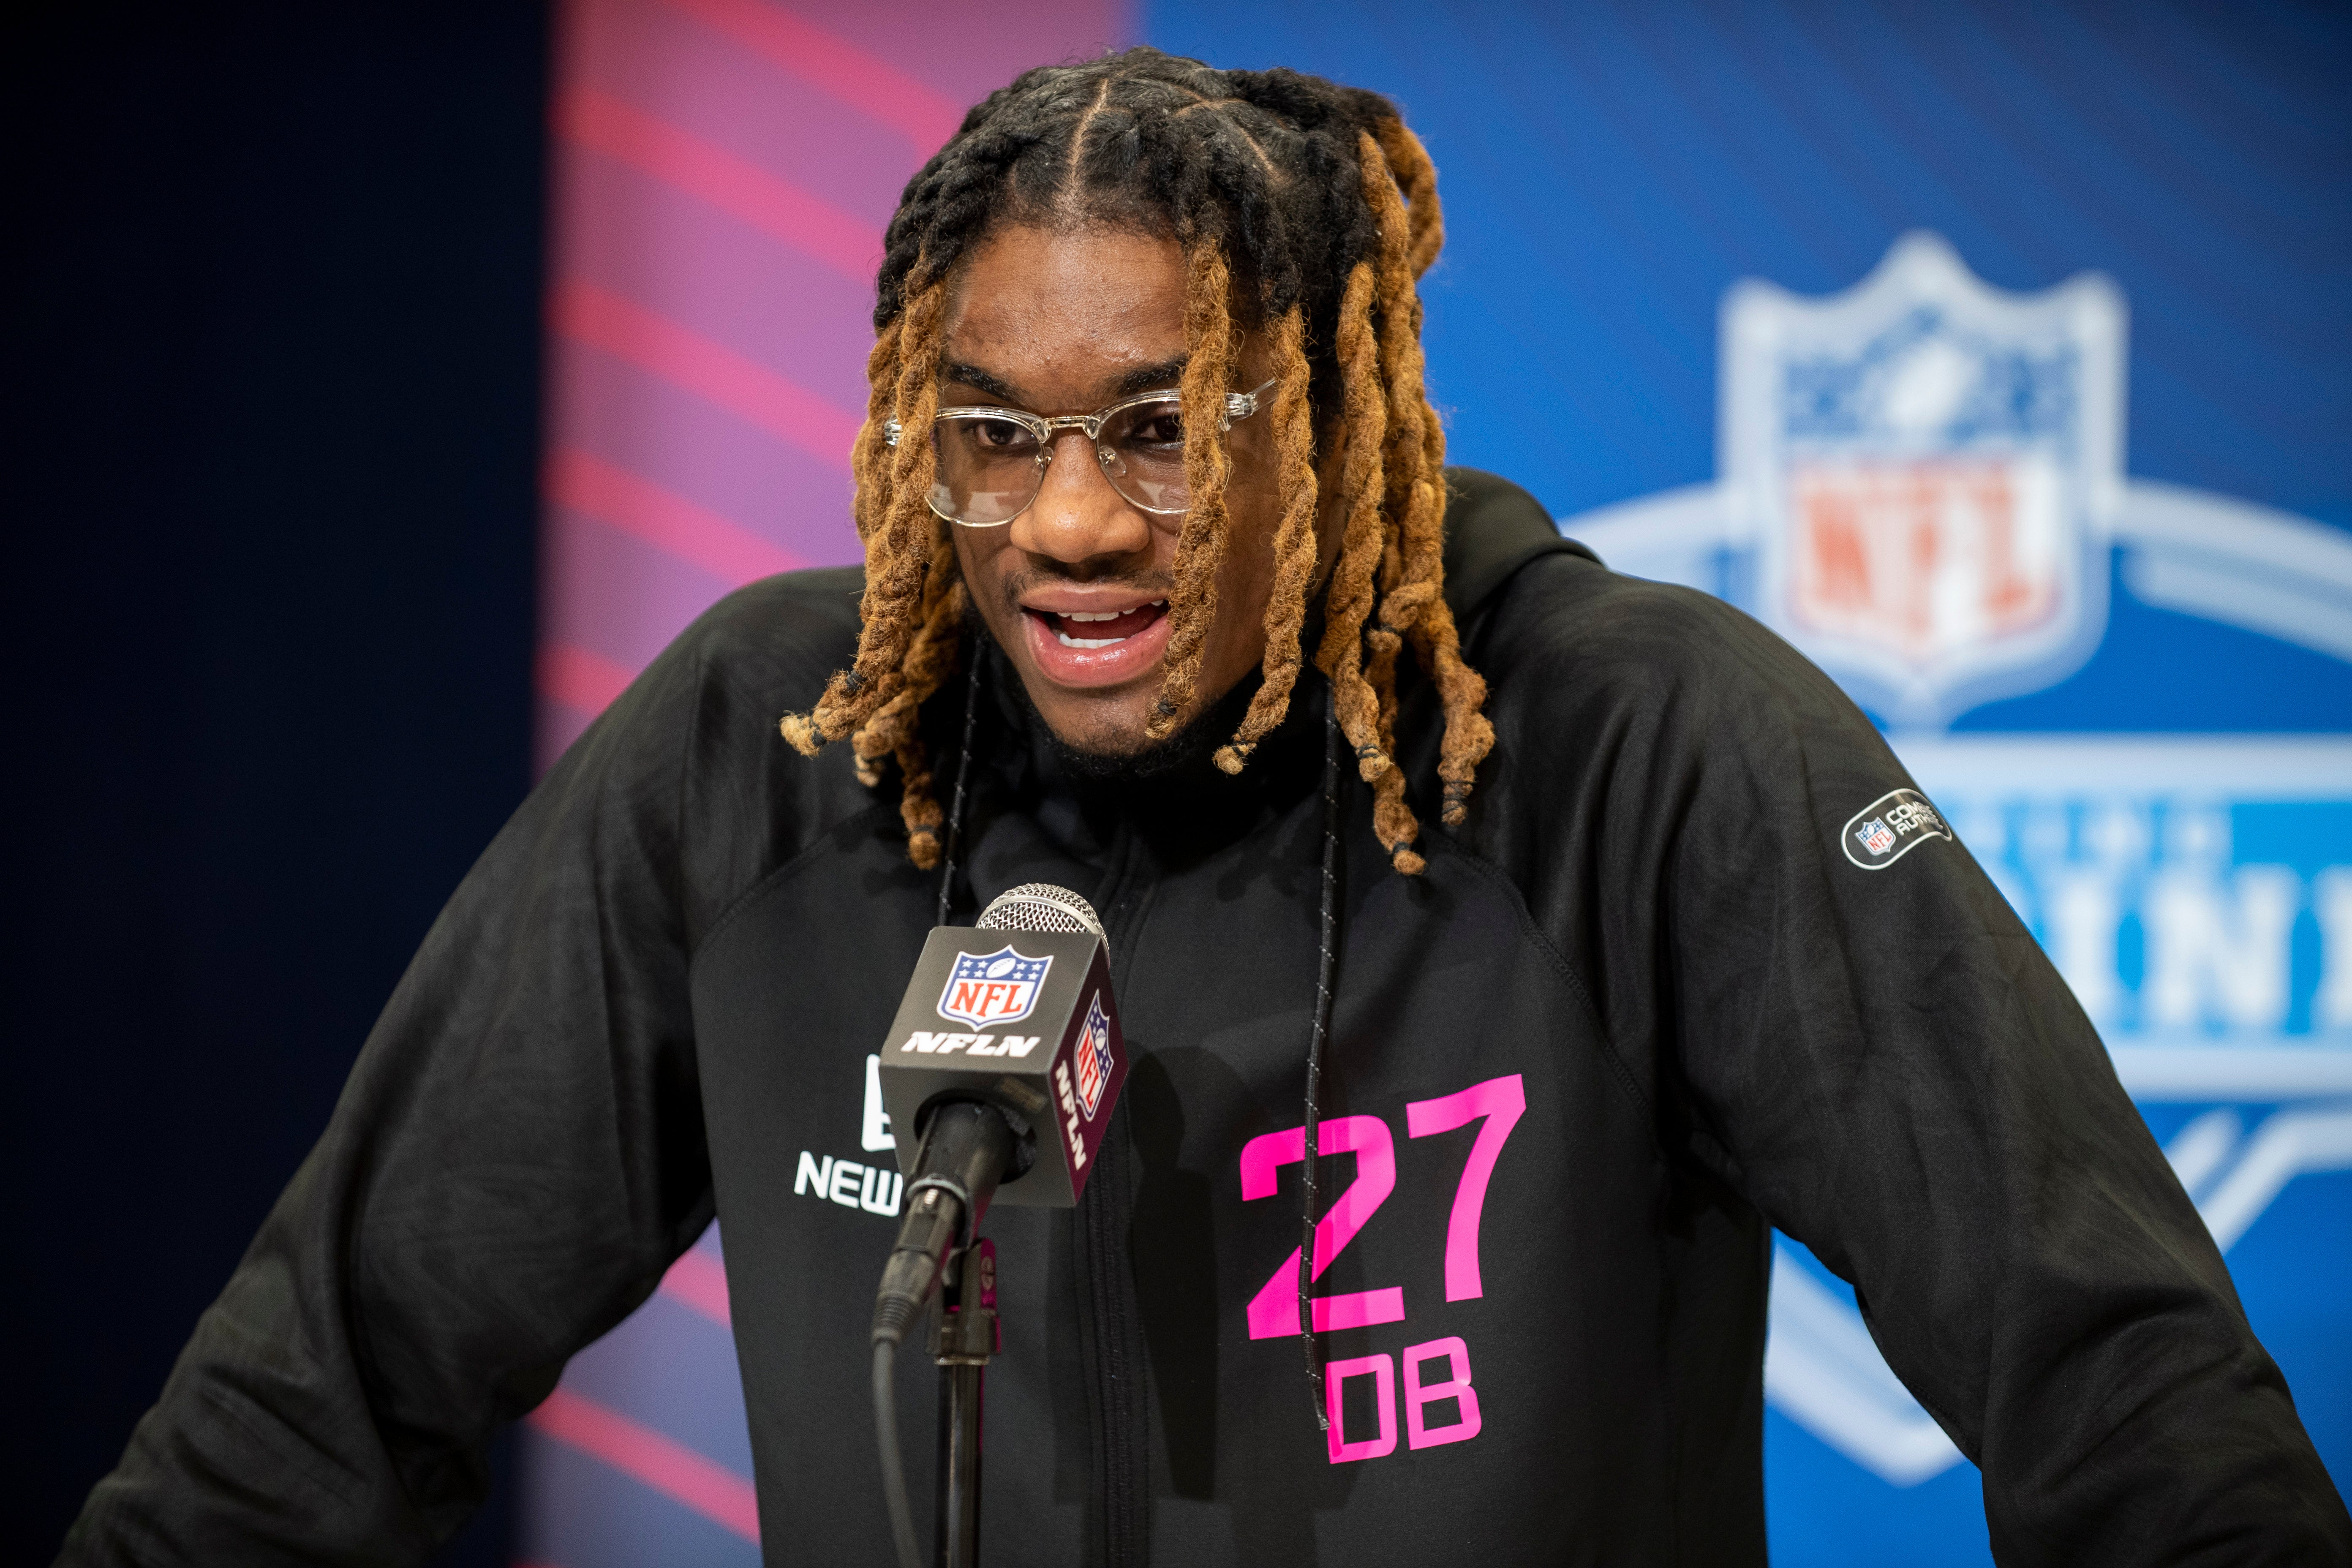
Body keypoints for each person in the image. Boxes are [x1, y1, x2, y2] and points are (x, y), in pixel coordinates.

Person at [58, 46, 2350, 1568]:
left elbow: (2122, 1387)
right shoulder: (776, 762)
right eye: (991, 436)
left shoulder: (1639, 747)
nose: (1065, 522)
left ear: (1327, 424)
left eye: (1160, 429)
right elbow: (309, 1415)